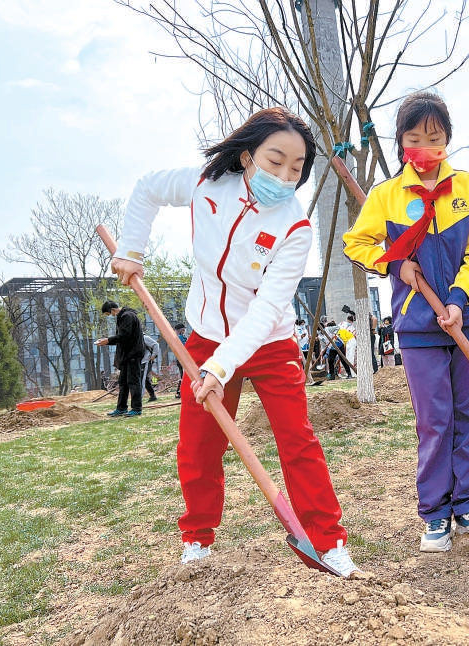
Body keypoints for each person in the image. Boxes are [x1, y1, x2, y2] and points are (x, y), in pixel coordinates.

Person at [108, 107, 357, 575]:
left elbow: (265, 311)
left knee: (296, 439)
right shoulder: (206, 184)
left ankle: (328, 541)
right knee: (198, 444)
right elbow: (146, 188)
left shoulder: (294, 227)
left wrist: (219, 370)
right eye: (274, 160)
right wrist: (131, 249)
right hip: (204, 336)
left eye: (296, 168)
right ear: (247, 157)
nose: (284, 175)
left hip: (269, 342)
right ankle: (197, 539)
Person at [343, 91, 469, 552]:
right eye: (414, 138)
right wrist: (395, 265)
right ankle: (435, 513)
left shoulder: (468, 187)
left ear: (448, 139)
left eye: (435, 137)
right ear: (400, 145)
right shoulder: (386, 195)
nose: (426, 147)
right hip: (417, 327)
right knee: (434, 420)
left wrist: (457, 299)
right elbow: (356, 244)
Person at [96, 301, 146, 417]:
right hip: (126, 355)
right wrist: (108, 341)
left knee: (133, 381)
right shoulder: (124, 316)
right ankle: (121, 407)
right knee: (123, 382)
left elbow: (124, 336)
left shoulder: (127, 316)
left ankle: (136, 408)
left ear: (112, 309)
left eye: (109, 314)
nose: (111, 316)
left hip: (133, 354)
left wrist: (108, 340)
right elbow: (122, 338)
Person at [141, 334, 161, 402]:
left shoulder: (144, 337)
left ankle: (139, 398)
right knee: (145, 379)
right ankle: (152, 395)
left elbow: (156, 345)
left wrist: (153, 356)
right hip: (139, 362)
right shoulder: (134, 338)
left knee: (142, 379)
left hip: (146, 361)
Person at [174, 323, 188, 398]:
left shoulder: (177, 337)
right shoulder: (180, 337)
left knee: (183, 375)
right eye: (183, 329)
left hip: (180, 359)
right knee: (184, 375)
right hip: (182, 359)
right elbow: (185, 347)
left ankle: (179, 391)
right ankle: (180, 391)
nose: (184, 331)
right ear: (181, 330)